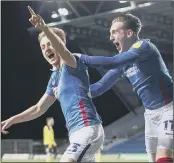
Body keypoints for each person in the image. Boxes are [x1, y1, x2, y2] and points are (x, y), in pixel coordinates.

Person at [1, 6, 104, 162]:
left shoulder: (72, 63)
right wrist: (12, 120)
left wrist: (43, 27)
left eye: (49, 44)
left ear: (60, 43)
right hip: (75, 133)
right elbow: (38, 108)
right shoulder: (55, 78)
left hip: (87, 130)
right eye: (42, 47)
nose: (46, 49)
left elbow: (62, 50)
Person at [76, 13, 173, 162]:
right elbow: (99, 87)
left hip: (169, 109)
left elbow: (111, 61)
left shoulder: (144, 47)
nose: (110, 37)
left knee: (163, 155)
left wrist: (79, 58)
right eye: (110, 33)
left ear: (129, 33)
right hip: (150, 115)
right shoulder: (123, 64)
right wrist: (73, 91)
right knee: (155, 159)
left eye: (114, 32)